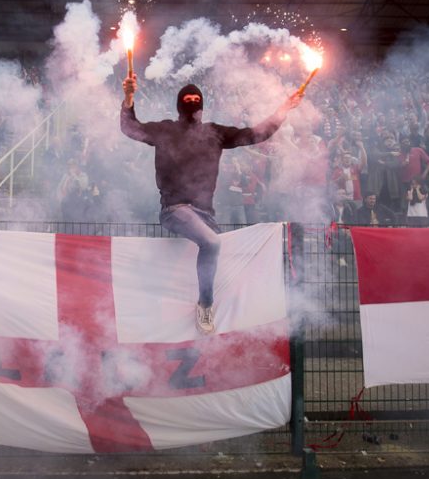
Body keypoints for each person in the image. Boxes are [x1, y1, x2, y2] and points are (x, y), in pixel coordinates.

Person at [119, 73, 301, 334]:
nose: (192, 102)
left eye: (196, 99)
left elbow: (254, 135)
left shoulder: (215, 133)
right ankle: (205, 306)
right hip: (175, 210)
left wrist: (283, 110)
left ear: (202, 105)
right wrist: (128, 97)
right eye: (187, 99)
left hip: (205, 214)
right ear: (180, 105)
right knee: (213, 243)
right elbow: (130, 127)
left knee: (217, 259)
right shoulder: (165, 130)